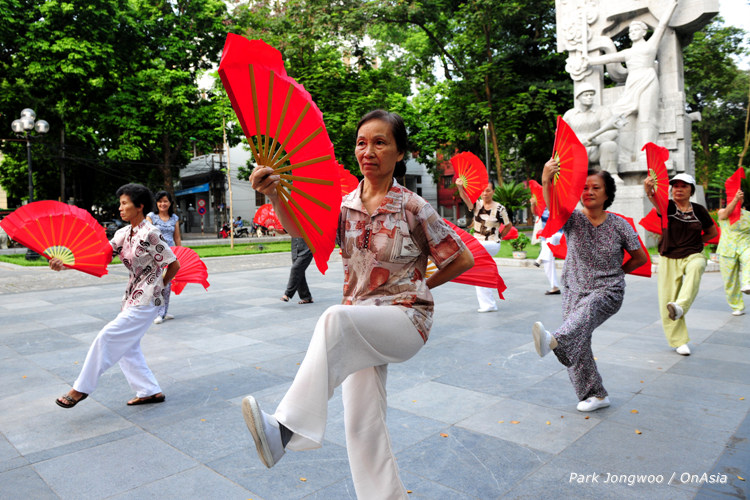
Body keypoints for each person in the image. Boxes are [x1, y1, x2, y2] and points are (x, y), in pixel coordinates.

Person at [244, 110, 473, 499]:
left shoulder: (413, 206)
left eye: (380, 142)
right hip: (360, 323)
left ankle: (283, 429)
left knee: (334, 318)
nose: (369, 151)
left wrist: (422, 285)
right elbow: (302, 230)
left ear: (399, 152)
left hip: (405, 319)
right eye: (362, 142)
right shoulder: (345, 205)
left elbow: (461, 258)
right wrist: (272, 193)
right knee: (361, 421)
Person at [51, 183, 180, 408]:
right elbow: (99, 256)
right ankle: (150, 391)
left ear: (139, 206)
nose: (120, 208)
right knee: (127, 347)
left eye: (124, 203)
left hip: (148, 299)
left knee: (108, 336)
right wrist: (66, 264)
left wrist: (158, 286)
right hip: (131, 297)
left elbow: (173, 264)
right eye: (120, 203)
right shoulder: (122, 234)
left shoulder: (151, 233)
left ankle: (80, 389)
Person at [533, 162, 647, 412]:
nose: (589, 191)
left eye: (596, 187)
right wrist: (546, 180)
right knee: (579, 341)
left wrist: (618, 274)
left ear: (608, 194)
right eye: (584, 187)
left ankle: (555, 340)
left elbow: (640, 258)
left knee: (584, 316)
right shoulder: (573, 219)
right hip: (574, 290)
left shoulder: (620, 225)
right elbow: (553, 207)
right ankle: (595, 394)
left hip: (607, 291)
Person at [576, 0, 679, 156]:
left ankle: (646, 151)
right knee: (617, 112)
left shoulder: (650, 45)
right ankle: (614, 147)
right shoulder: (628, 52)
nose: (632, 32)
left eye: (636, 29)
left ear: (644, 32)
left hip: (648, 79)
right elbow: (608, 59)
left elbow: (662, 25)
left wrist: (672, 5)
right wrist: (589, 61)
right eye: (631, 30)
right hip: (632, 82)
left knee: (647, 116)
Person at [644, 172, 718, 355]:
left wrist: (699, 242)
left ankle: (681, 306)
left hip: (693, 253)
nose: (678, 189)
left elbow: (712, 232)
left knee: (698, 266)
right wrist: (648, 188)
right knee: (666, 300)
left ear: (691, 190)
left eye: (683, 186)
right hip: (669, 256)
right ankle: (679, 341)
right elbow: (654, 198)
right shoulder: (667, 206)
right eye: (675, 186)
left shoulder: (699, 210)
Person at [456, 179, 512, 312]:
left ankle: (455, 263)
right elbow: (465, 198)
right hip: (478, 244)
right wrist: (460, 187)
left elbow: (508, 225)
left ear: (493, 192)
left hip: (491, 244)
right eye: (483, 190)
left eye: (488, 190)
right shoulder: (477, 205)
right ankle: (488, 304)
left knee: (468, 249)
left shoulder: (499, 208)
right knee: (478, 272)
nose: (485, 193)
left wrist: (500, 236)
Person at [562, 83, 620, 180]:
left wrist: (596, 140)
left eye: (591, 95)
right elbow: (562, 134)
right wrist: (575, 142)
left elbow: (612, 132)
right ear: (578, 97)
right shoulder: (569, 114)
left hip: (596, 148)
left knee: (610, 144)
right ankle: (577, 178)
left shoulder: (603, 111)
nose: (589, 97)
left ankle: (611, 174)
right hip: (576, 148)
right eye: (586, 95)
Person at [147, 190, 181, 324]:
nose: (163, 204)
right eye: (160, 201)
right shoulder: (151, 217)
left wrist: (179, 254)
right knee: (156, 285)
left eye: (165, 201)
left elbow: (177, 237)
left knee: (166, 285)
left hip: (170, 255)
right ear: (156, 203)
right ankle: (157, 312)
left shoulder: (174, 218)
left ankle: (163, 312)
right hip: (155, 255)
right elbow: (147, 236)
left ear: (170, 203)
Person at [717, 189, 749, 315]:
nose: (737, 199)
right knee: (730, 280)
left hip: (745, 246)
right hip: (727, 249)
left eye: (740, 197)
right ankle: (737, 307)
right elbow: (725, 214)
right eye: (735, 197)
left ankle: (747, 283)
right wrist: (735, 199)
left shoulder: (748, 215)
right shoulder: (723, 212)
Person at [531, 201, 562, 295]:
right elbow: (535, 213)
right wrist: (532, 204)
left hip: (559, 234)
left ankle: (539, 258)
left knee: (551, 237)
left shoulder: (558, 204)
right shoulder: (543, 206)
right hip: (546, 236)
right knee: (547, 261)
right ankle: (554, 287)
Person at [281, 237, 314, 304]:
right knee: (299, 273)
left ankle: (287, 294)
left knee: (295, 269)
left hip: (307, 249)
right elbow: (285, 231)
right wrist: (274, 229)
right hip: (295, 249)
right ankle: (306, 297)